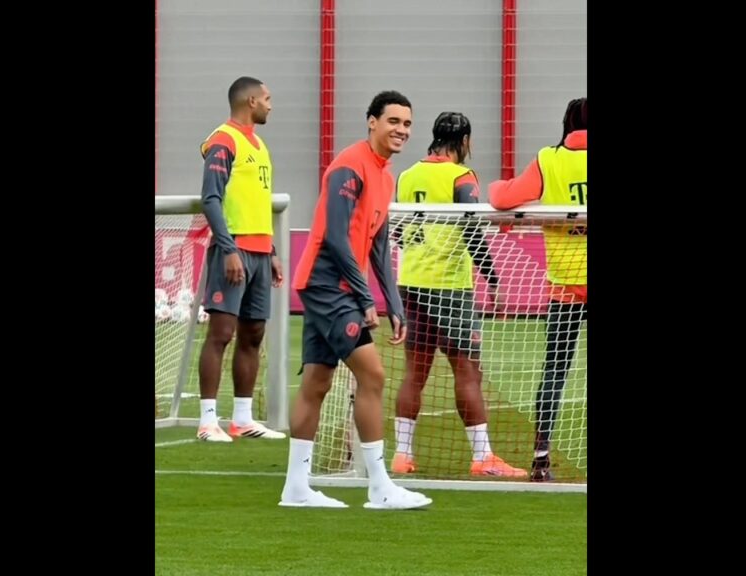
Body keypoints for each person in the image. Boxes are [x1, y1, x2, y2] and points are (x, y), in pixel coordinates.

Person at [279, 91, 432, 509]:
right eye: (393, 121)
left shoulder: (385, 175)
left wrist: (394, 302)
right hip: (328, 283)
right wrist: (364, 297)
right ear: (371, 122)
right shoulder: (349, 165)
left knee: (317, 381)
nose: (401, 130)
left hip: (336, 286)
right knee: (374, 375)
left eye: (407, 123)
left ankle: (295, 488)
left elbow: (379, 244)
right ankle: (380, 487)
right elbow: (336, 235)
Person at [391, 111, 526, 478]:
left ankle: (402, 456)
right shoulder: (461, 177)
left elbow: (399, 231)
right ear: (465, 141)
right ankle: (483, 457)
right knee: (468, 372)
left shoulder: (407, 175)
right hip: (450, 286)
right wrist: (494, 279)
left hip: (412, 280)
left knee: (414, 374)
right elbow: (471, 230)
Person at [488, 97, 587, 482]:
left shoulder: (550, 159)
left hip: (564, 283)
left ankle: (541, 456)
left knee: (554, 371)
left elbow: (501, 198)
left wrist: (499, 187)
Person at [195, 76, 285, 442]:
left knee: (254, 334)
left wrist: (273, 251)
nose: (270, 104)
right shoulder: (223, 140)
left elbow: (257, 201)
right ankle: (207, 420)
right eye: (266, 98)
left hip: (261, 253)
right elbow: (211, 198)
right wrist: (228, 247)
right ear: (250, 101)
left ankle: (243, 419)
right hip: (232, 252)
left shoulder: (259, 145)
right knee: (221, 333)